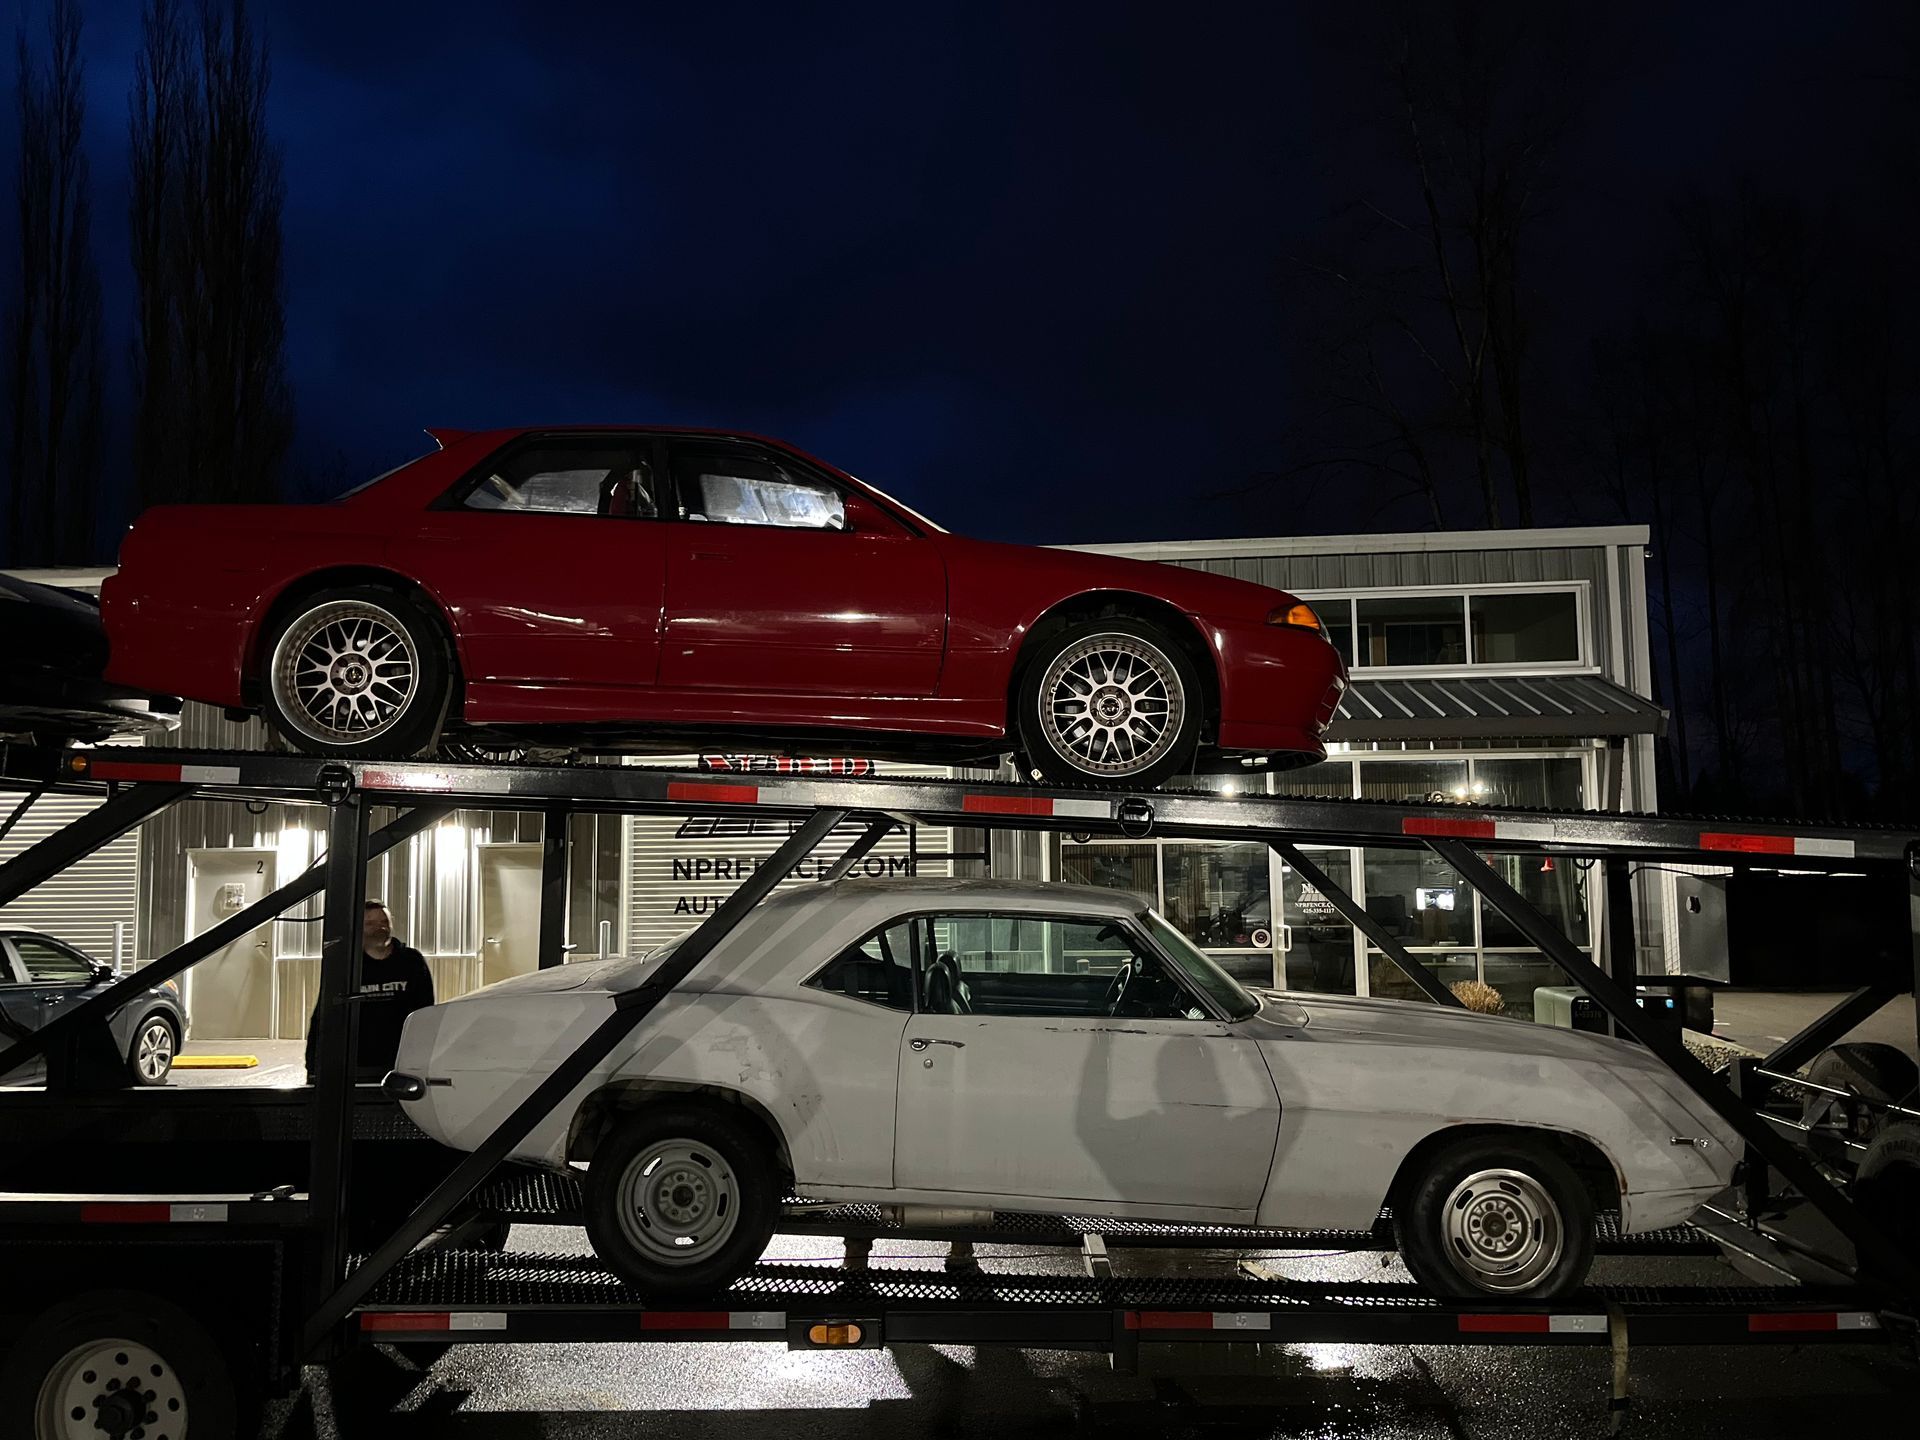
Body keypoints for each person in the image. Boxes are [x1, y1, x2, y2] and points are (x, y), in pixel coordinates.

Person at [305, 900, 435, 1083]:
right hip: (357, 1066)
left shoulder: (411, 961)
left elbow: (426, 1013)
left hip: (400, 1065)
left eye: (384, 922)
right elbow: (324, 1016)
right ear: (358, 928)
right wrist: (313, 1068)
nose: (379, 927)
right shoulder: (346, 965)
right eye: (370, 923)